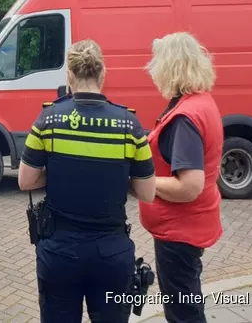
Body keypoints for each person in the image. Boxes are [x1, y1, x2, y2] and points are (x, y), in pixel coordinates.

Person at [18, 39, 156, 322]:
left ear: (69, 75)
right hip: (111, 254)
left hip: (59, 252)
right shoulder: (129, 125)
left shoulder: (49, 119)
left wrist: (58, 172)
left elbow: (25, 180)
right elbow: (147, 192)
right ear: (103, 73)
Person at [139, 32, 223, 323]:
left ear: (170, 67)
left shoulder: (185, 117)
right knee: (188, 303)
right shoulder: (200, 102)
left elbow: (189, 186)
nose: (153, 71)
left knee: (182, 313)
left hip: (179, 230)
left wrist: (141, 182)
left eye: (157, 64)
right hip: (190, 226)